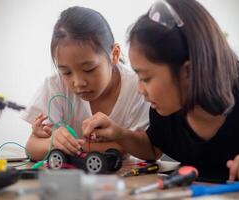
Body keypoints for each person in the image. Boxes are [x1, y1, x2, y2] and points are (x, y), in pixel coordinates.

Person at [82, 0, 239, 184]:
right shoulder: (165, 110)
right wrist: (120, 134)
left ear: (188, 71)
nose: (140, 90)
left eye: (146, 78)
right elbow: (152, 146)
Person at [22, 6, 149, 161]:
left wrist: (68, 147)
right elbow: (31, 148)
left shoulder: (138, 88)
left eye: (89, 69)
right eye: (66, 72)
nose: (78, 83)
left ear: (114, 54)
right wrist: (53, 141)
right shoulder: (56, 86)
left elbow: (149, 149)